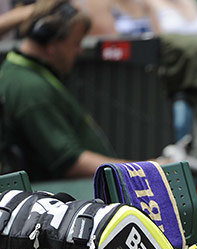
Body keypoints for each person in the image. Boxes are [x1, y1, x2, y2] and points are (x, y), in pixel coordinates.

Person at [0, 0, 134, 181]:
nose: (79, 51)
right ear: (53, 45)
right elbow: (70, 162)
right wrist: (138, 170)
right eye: (76, 43)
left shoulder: (27, 72)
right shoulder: (29, 89)